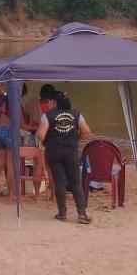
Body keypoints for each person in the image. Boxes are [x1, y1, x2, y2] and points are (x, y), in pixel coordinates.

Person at [36, 91, 92, 224]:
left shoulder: (47, 115)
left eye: (51, 101)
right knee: (76, 183)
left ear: (55, 102)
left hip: (54, 151)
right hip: (71, 151)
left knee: (59, 182)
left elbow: (41, 135)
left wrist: (46, 139)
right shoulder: (76, 114)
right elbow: (86, 131)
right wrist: (76, 138)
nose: (49, 103)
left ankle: (62, 213)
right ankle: (82, 214)